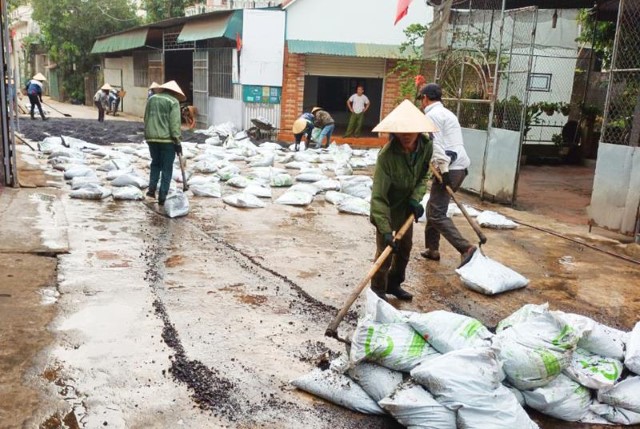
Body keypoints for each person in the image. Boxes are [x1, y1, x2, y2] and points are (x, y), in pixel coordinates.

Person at [369, 99, 436, 301]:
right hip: (388, 208)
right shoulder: (387, 156)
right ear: (395, 131)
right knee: (385, 252)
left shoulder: (426, 147)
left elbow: (424, 175)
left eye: (411, 130)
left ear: (419, 130)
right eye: (402, 131)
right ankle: (378, 291)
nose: (406, 135)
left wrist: (416, 199)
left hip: (408, 207)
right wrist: (385, 229)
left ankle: (394, 284)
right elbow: (378, 196)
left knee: (405, 250)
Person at [417, 83, 477, 267]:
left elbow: (437, 147)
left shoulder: (431, 116)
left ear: (426, 98)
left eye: (421, 98)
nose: (421, 102)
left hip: (450, 168)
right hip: (458, 165)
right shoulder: (447, 113)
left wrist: (443, 173)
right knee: (434, 207)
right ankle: (432, 249)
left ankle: (465, 248)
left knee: (435, 213)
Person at [144, 80, 185, 206]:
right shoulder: (173, 102)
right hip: (167, 140)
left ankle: (151, 190)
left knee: (155, 163)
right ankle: (162, 196)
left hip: (151, 138)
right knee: (167, 168)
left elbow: (146, 118)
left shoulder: (151, 99)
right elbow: (174, 124)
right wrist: (177, 141)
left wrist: (148, 134)